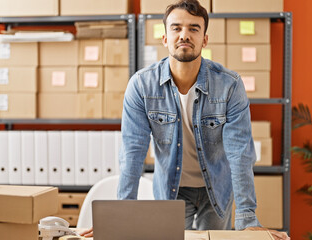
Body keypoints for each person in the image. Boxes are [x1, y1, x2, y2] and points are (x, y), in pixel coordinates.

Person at [81, 0, 290, 239]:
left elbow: (240, 153)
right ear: (165, 38)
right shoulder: (141, 86)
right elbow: (132, 153)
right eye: (176, 28)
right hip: (172, 190)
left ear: (205, 39)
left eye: (193, 29)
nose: (184, 35)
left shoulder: (229, 85)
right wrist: (120, 216)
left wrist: (247, 218)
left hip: (217, 190)